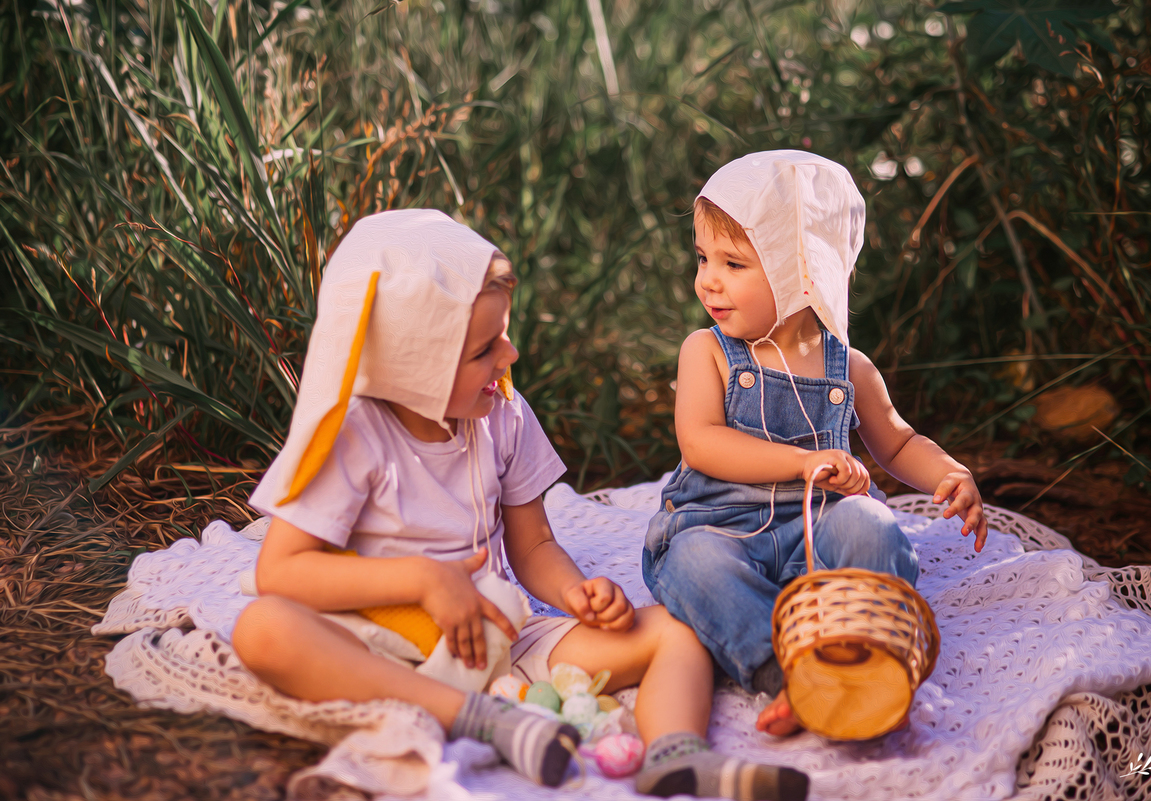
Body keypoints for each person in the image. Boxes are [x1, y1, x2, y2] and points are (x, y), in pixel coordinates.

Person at [232, 209, 810, 800]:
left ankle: (675, 753)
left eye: (503, 334)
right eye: (484, 348)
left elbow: (532, 544)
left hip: (499, 637)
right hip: (375, 641)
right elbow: (280, 571)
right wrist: (424, 580)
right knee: (264, 629)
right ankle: (481, 720)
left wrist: (573, 594)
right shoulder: (352, 436)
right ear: (413, 362)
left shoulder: (502, 413)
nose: (508, 355)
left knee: (675, 631)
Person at [641, 151, 989, 737]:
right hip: (722, 529)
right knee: (694, 565)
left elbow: (898, 444)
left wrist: (948, 474)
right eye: (703, 258)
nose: (708, 279)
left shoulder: (846, 366)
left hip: (816, 538)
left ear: (801, 269)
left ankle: (863, 650)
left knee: (872, 528)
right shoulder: (708, 352)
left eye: (733, 262)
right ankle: (792, 676)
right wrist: (803, 461)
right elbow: (701, 443)